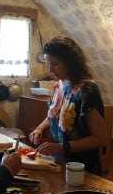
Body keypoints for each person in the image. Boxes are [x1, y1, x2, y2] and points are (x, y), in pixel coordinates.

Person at [28, 35, 108, 176]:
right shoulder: (60, 85)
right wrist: (39, 129)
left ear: (71, 63)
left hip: (82, 168)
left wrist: (61, 147)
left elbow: (100, 138)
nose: (51, 70)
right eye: (48, 64)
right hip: (59, 162)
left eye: (55, 64)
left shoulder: (87, 91)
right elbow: (55, 115)